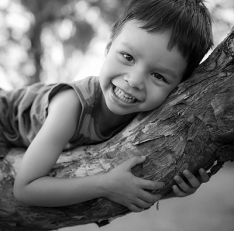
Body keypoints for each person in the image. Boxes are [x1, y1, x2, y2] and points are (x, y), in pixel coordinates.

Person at [1, 0, 212, 212]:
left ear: (180, 87)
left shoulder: (148, 120)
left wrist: (172, 191)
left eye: (158, 75)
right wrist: (104, 185)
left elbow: (128, 189)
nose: (134, 80)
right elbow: (25, 189)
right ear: (109, 47)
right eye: (128, 57)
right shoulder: (71, 104)